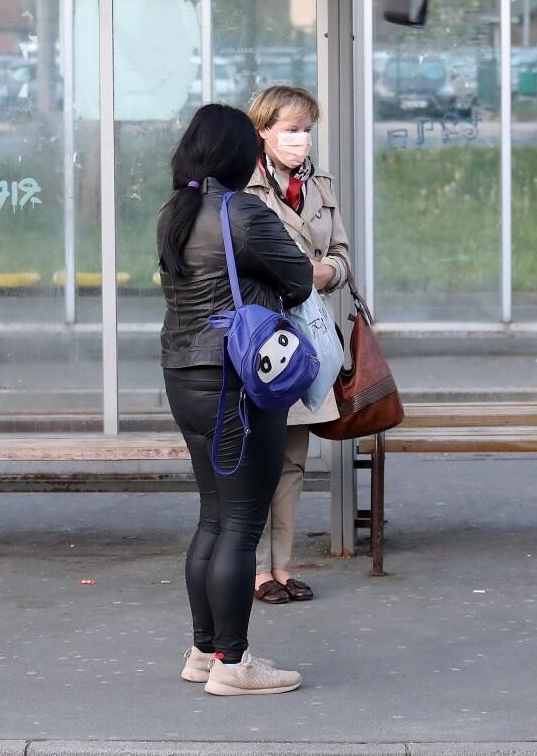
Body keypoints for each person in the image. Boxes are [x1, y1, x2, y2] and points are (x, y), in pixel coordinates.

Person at [158, 103, 314, 697]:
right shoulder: (242, 213)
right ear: (238, 154)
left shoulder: (174, 212)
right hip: (238, 380)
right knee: (243, 523)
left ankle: (204, 651)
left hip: (184, 375)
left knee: (213, 516)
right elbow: (298, 278)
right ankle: (233, 663)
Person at [243, 85, 350, 604]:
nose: (301, 140)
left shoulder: (319, 184)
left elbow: (343, 255)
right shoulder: (243, 186)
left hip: (309, 337)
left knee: (292, 461)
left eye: (307, 130)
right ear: (263, 130)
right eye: (290, 129)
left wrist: (326, 272)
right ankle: (255, 570)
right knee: (257, 459)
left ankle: (282, 567)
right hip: (262, 337)